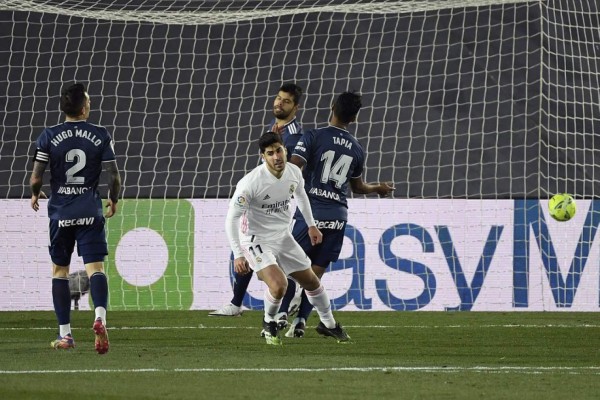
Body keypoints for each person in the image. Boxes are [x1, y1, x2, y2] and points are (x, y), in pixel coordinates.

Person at [280, 91, 394, 338]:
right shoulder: (357, 148)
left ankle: (279, 316)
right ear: (354, 118)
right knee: (315, 275)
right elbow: (358, 187)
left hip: (311, 215)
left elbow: (294, 168)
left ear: (332, 107)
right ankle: (300, 322)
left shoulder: (313, 136)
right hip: (338, 218)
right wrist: (379, 188)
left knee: (289, 268)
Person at [225, 131, 350, 345]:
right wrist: (238, 254)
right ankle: (268, 322)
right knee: (279, 286)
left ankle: (329, 325)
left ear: (285, 149)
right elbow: (231, 219)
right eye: (270, 153)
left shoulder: (294, 172)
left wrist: (311, 225)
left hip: (283, 236)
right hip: (256, 240)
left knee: (311, 281)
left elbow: (301, 195)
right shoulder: (250, 183)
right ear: (263, 156)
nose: (276, 157)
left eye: (279, 150)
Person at [29, 82, 121, 354]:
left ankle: (65, 335)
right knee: (96, 269)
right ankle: (100, 318)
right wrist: (113, 199)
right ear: (83, 108)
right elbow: (114, 176)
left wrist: (35, 193)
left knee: (60, 271)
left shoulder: (49, 135)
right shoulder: (100, 134)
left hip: (61, 213)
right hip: (90, 211)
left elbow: (36, 177)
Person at [209, 82, 304, 318]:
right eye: (278, 98)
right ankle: (237, 303)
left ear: (296, 107)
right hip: (259, 201)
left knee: (263, 258)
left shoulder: (293, 137)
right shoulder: (274, 130)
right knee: (247, 249)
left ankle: (289, 297)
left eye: (286, 101)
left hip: (272, 207)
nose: (279, 103)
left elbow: (288, 174)